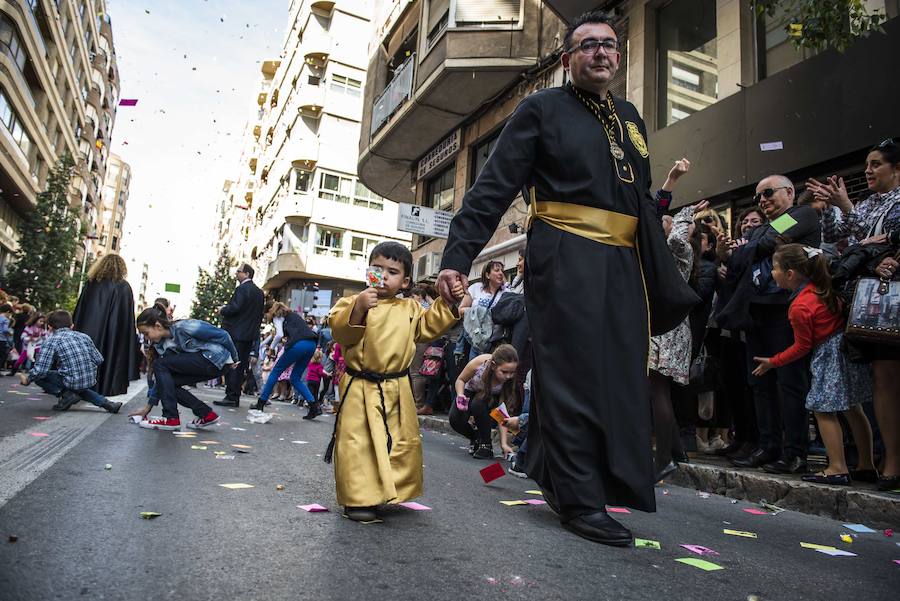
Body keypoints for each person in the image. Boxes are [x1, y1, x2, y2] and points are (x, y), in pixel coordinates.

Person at [436, 11, 697, 547]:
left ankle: (570, 474)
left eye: (609, 45)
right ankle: (579, 499)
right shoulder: (540, 109)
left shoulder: (630, 119)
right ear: (567, 59)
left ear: (618, 56)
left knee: (621, 376)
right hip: (564, 255)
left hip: (624, 265)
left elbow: (639, 201)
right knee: (574, 372)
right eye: (588, 45)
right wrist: (456, 257)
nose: (601, 52)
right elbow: (492, 188)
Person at [326, 241, 463, 522]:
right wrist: (359, 309)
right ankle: (358, 499)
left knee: (396, 442)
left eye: (392, 271)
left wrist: (448, 301)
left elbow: (429, 327)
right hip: (359, 387)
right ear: (368, 271)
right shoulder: (351, 301)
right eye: (377, 268)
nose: (384, 276)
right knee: (358, 443)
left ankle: (389, 491)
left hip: (396, 388)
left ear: (405, 281)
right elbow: (342, 334)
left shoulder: (410, 308)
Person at [811, 138, 900, 491]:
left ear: (897, 169)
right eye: (867, 165)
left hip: (894, 292)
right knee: (883, 380)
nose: (868, 170)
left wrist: (851, 211)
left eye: (876, 164)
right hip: (875, 303)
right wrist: (831, 206)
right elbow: (839, 236)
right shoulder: (869, 203)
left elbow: (875, 238)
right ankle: (890, 460)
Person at [719, 175, 821, 474]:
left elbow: (759, 246)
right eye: (757, 197)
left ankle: (795, 452)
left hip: (788, 312)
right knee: (760, 384)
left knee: (790, 384)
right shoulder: (764, 226)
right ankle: (768, 446)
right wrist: (748, 249)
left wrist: (750, 247)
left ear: (789, 191)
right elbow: (744, 256)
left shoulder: (803, 214)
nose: (762, 201)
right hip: (756, 314)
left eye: (767, 193)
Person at [752, 244, 875, 485]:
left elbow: (802, 347)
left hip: (828, 357)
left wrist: (773, 362)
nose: (772, 273)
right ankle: (866, 465)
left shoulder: (799, 306)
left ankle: (837, 467)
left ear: (789, 274)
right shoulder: (822, 290)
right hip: (846, 353)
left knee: (822, 409)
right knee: (853, 408)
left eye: (775, 268)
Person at [649, 202, 703, 482]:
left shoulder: (681, 251)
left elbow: (674, 238)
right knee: (658, 390)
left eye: (667, 221)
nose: (662, 224)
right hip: (662, 327)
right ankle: (676, 451)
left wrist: (686, 215)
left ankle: (663, 459)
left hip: (668, 329)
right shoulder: (660, 255)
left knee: (658, 389)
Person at [130, 304, 237, 430]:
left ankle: (171, 418)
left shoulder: (184, 327)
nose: (147, 338)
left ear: (157, 326)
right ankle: (206, 414)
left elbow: (223, 335)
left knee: (160, 365)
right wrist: (147, 408)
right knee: (170, 384)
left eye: (146, 333)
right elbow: (162, 382)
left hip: (215, 359)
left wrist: (235, 358)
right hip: (207, 365)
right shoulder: (162, 346)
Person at [19, 310, 121, 413]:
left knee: (40, 377)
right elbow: (99, 359)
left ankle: (66, 395)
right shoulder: (84, 336)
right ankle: (108, 404)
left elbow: (40, 370)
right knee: (79, 388)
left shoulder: (51, 341)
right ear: (72, 326)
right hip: (89, 379)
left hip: (72, 380)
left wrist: (28, 379)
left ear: (49, 327)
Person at [73, 254, 140, 396]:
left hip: (87, 332)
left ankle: (80, 387)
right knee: (109, 357)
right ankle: (104, 388)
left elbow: (79, 311)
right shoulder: (123, 286)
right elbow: (126, 319)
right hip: (113, 335)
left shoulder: (91, 283)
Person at [449, 345, 519, 459]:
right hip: (469, 390)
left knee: (478, 403)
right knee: (455, 419)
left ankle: (486, 445)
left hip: (488, 399)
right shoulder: (480, 363)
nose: (508, 376)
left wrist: (504, 444)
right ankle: (475, 438)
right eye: (504, 372)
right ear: (493, 366)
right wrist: (460, 395)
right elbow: (460, 380)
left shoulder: (508, 382)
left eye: (512, 372)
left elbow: (502, 413)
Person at [255, 302, 319, 416]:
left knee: (275, 371)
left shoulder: (278, 317)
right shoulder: (294, 315)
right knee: (295, 378)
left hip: (298, 345)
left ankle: (261, 403)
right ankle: (313, 405)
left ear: (270, 310)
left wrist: (271, 348)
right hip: (311, 344)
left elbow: (279, 335)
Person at [215, 263, 265, 408]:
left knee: (233, 365)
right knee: (241, 365)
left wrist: (223, 309)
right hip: (249, 335)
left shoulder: (242, 289)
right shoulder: (259, 292)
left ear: (247, 274)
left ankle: (231, 396)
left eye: (238, 272)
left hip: (236, 333)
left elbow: (235, 308)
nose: (236, 274)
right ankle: (234, 395)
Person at [0, 303, 14, 372]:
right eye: (10, 314)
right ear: (8, 312)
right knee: (4, 355)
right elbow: (5, 330)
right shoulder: (6, 319)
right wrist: (10, 332)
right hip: (2, 339)